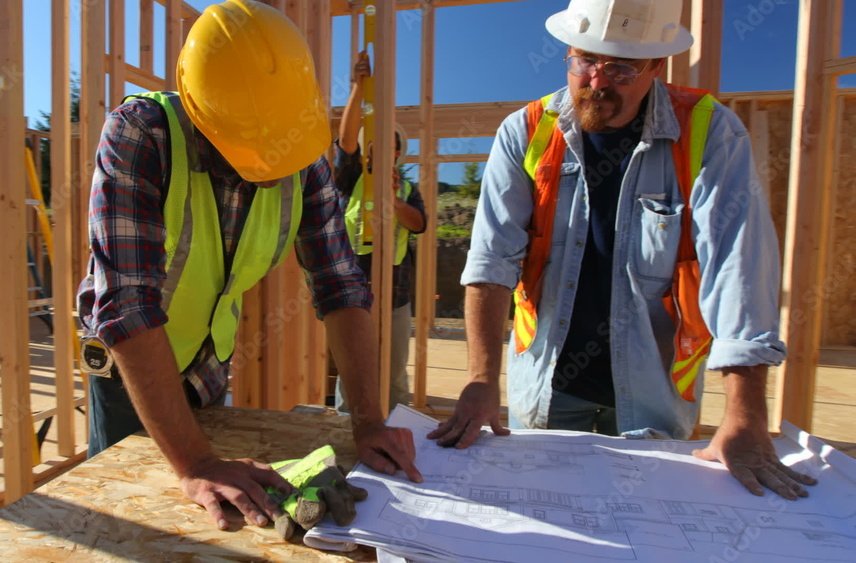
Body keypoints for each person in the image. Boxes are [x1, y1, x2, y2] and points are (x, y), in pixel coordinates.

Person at [429, 0, 817, 501]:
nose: (596, 80)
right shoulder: (526, 131)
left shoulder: (708, 132)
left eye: (620, 68)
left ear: (657, 66)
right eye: (584, 60)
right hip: (547, 385)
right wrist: (481, 379)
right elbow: (491, 260)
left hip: (654, 395)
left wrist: (744, 412)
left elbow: (737, 265)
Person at [77, 0, 422, 532]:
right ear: (197, 109)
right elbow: (126, 306)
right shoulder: (140, 134)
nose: (265, 168)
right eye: (245, 150)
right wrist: (194, 463)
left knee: (227, 516)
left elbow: (341, 286)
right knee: (136, 517)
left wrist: (369, 420)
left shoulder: (303, 156)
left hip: (210, 363)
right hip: (132, 371)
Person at [333, 51, 427, 414]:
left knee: (395, 376)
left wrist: (395, 202)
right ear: (367, 149)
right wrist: (358, 88)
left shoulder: (405, 188)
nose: (384, 147)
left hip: (395, 297)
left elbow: (419, 224)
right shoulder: (351, 177)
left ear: (399, 153)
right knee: (350, 374)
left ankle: (397, 434)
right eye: (376, 141)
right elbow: (345, 142)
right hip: (352, 296)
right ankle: (348, 434)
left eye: (393, 144)